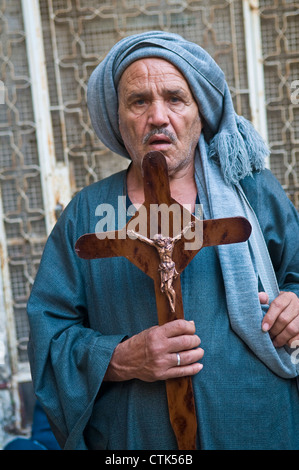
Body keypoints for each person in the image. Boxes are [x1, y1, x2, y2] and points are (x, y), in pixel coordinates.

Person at [27, 31, 299, 450]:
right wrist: (120, 358)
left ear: (200, 113)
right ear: (118, 118)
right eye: (139, 101)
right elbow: (52, 335)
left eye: (175, 98)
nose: (158, 116)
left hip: (259, 426)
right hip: (139, 441)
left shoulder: (251, 193)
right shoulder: (88, 214)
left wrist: (296, 305)